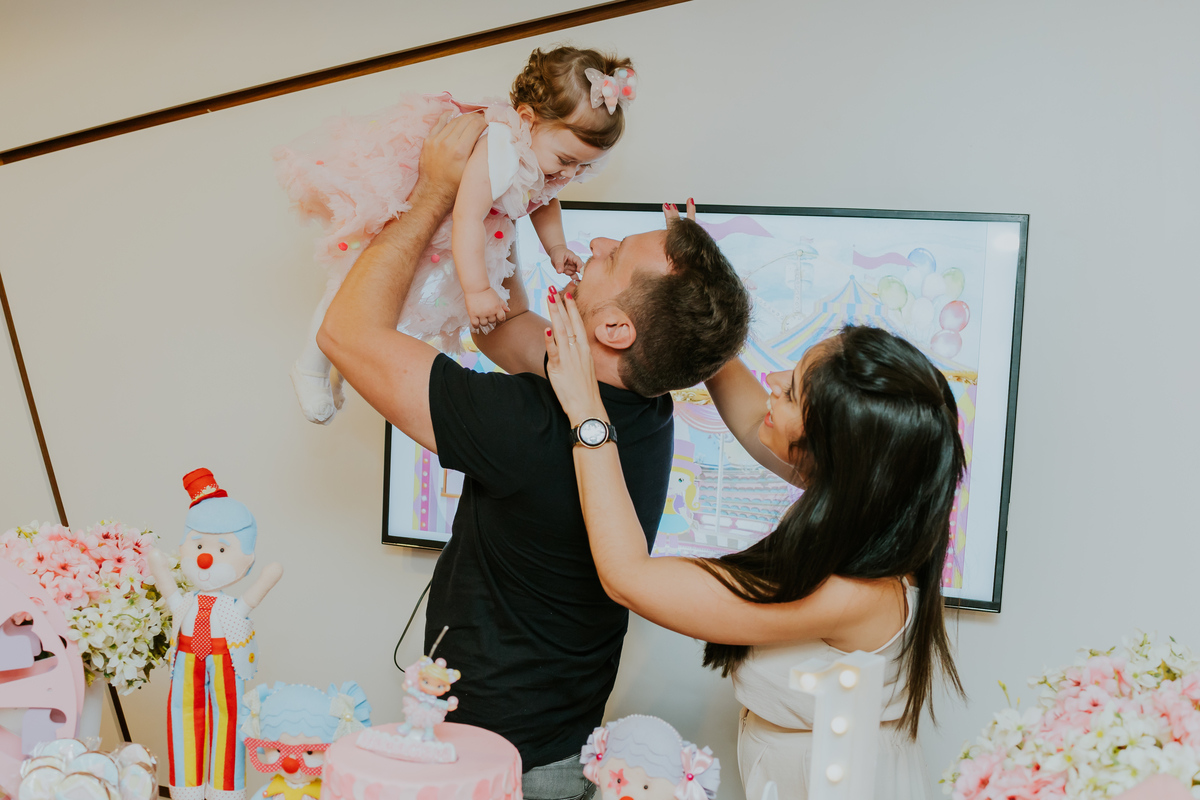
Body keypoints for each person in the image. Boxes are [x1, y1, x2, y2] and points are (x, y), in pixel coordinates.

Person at [315, 114, 751, 800]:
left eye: (612, 256)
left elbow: (346, 332)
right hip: (553, 748)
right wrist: (499, 203)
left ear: (614, 329)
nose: (597, 242)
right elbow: (508, 333)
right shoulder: (644, 405)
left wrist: (434, 192)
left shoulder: (525, 427)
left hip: (494, 764)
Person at [543, 243, 967, 799]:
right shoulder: (872, 509)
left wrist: (588, 414)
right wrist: (697, 310)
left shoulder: (858, 593)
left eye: (791, 392)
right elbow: (750, 418)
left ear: (831, 451)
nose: (772, 379)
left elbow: (628, 576)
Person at [275, 46, 637, 425]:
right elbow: (467, 216)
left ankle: (339, 367)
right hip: (433, 211)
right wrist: (478, 290)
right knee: (352, 284)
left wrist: (556, 247)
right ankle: (310, 368)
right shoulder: (499, 147)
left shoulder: (547, 160)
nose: (569, 173)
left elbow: (545, 200)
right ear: (527, 121)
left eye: (583, 165)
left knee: (390, 304)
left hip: (458, 231)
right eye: (566, 160)